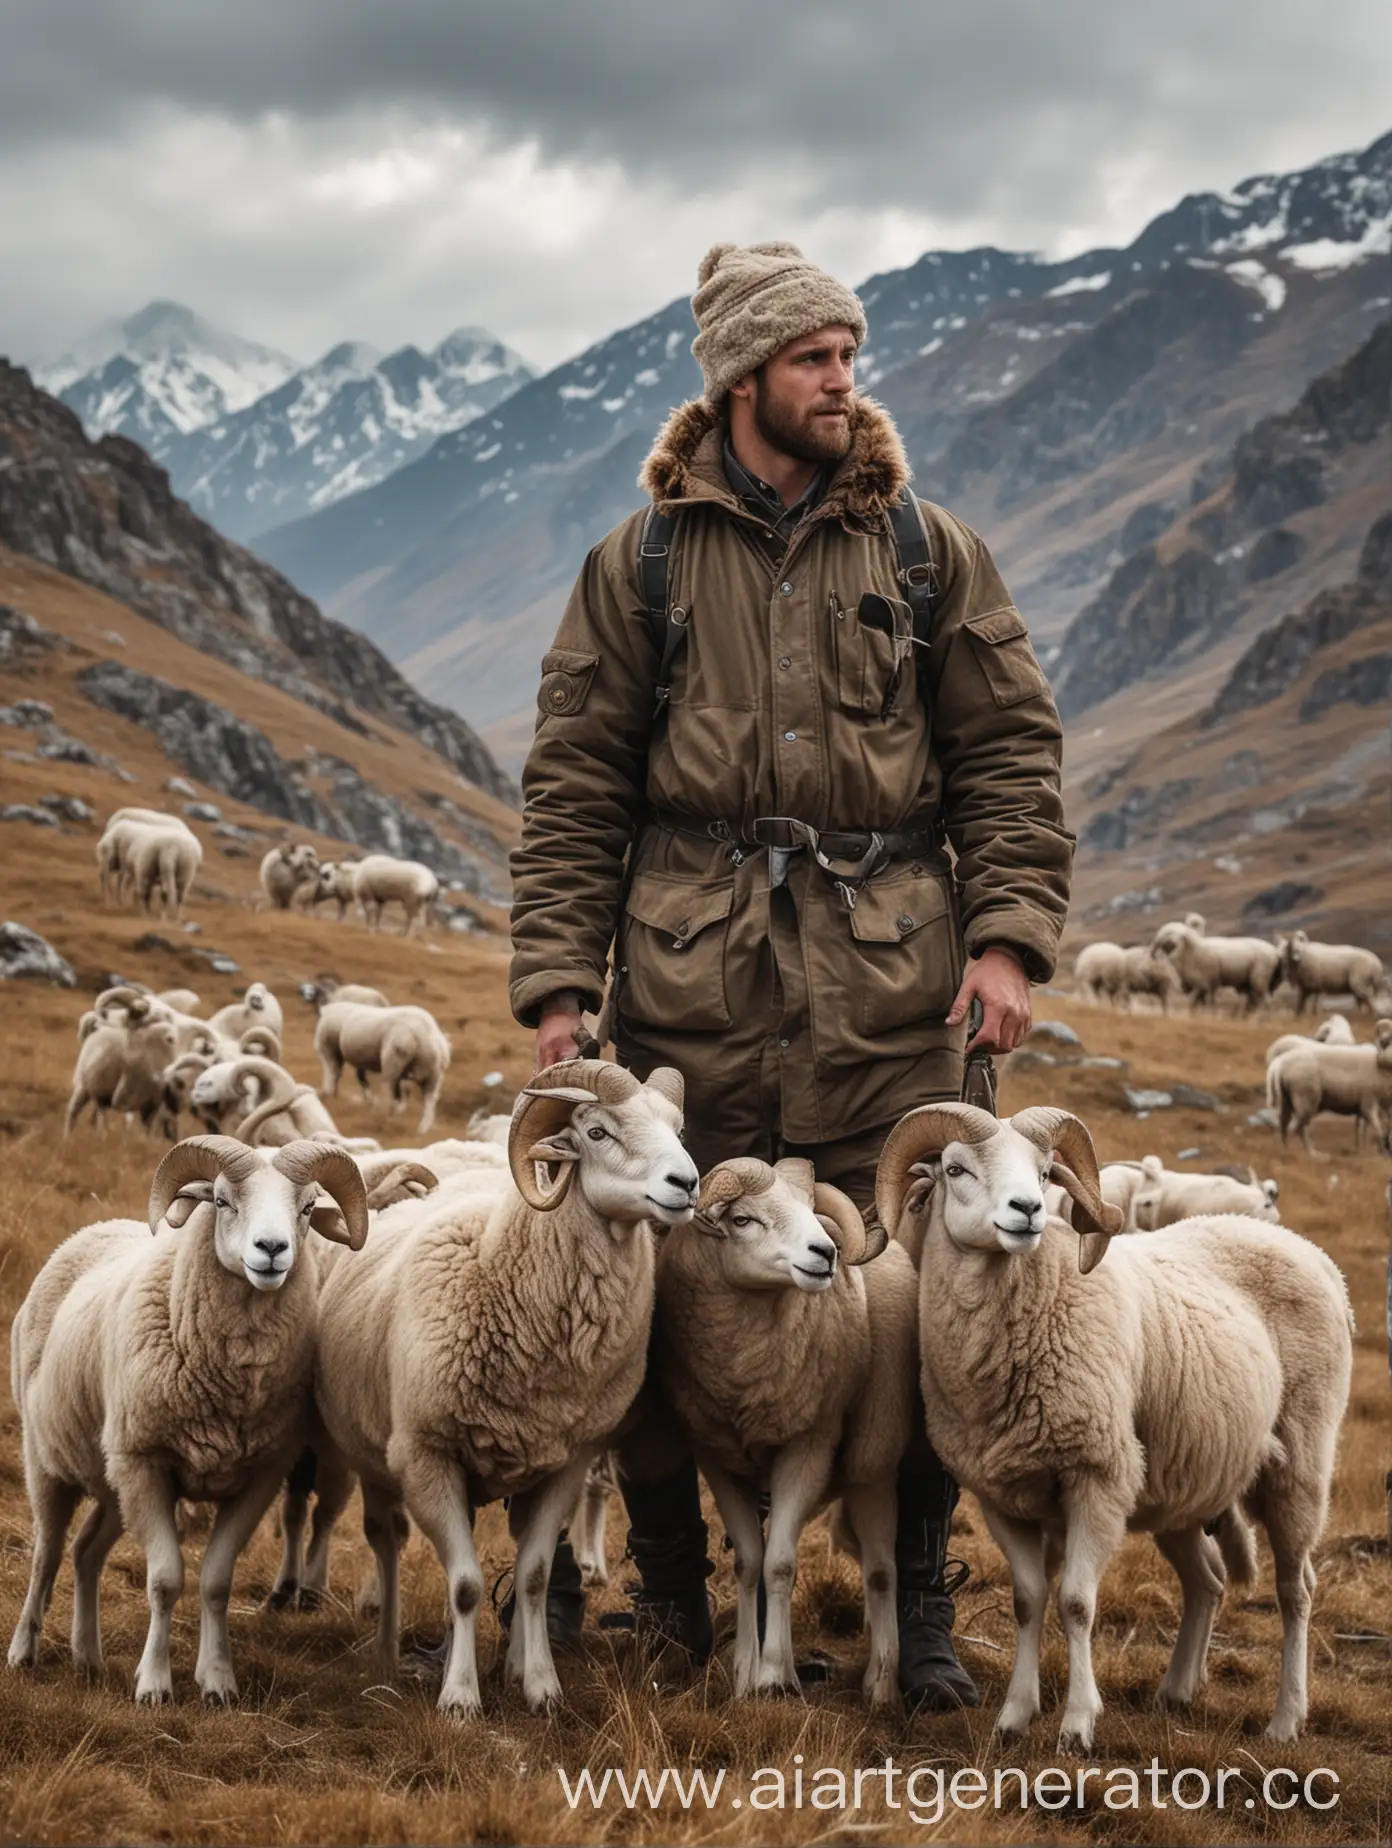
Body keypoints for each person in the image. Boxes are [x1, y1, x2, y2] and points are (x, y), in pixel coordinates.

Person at [508, 240, 1073, 1709]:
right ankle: (675, 1598)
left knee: (920, 1303)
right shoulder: (640, 562)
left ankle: (921, 1611)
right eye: (817, 355)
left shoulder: (926, 550)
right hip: (692, 986)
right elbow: (576, 784)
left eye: (849, 353)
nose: (846, 379)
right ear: (743, 374)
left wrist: (1007, 936)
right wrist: (563, 990)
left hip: (892, 987)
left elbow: (1008, 752)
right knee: (653, 1295)